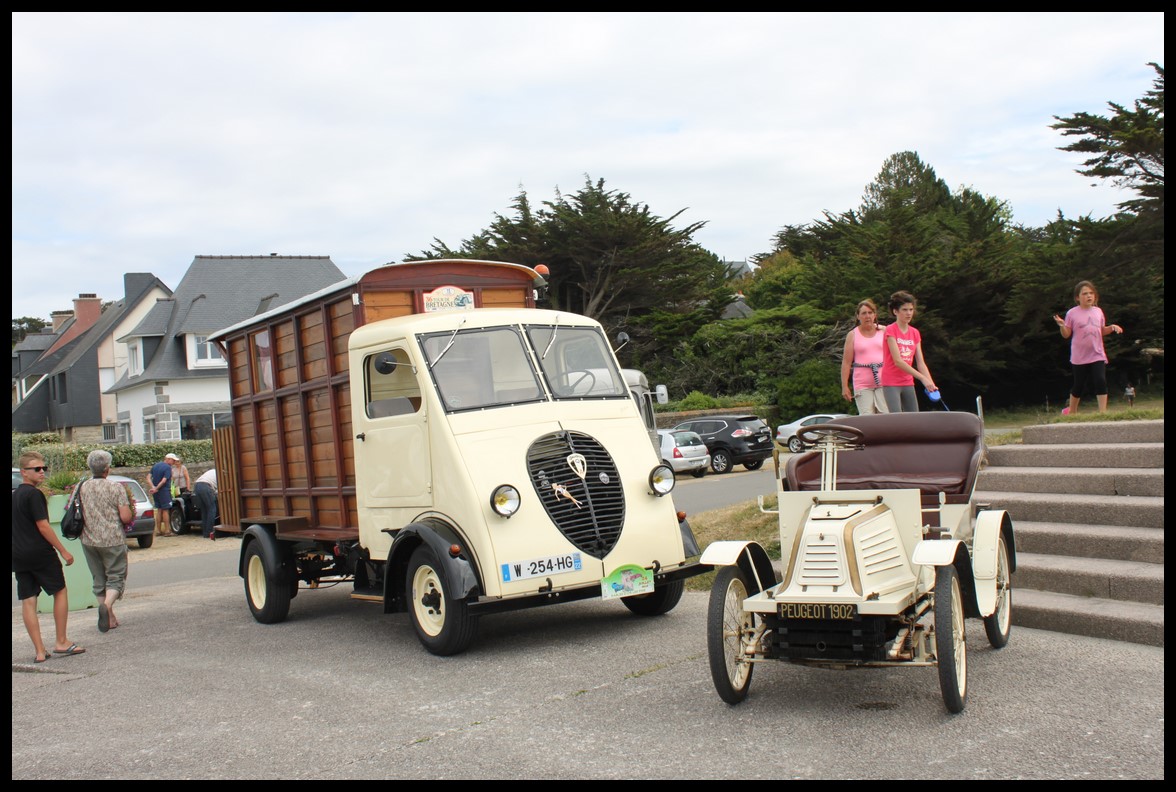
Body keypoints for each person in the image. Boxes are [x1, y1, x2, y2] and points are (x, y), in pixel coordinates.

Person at [12, 451, 85, 663]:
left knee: (28, 600)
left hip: (18, 554)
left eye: (44, 468)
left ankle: (39, 651)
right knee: (59, 591)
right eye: (37, 469)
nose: (42, 472)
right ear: (25, 472)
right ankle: (61, 641)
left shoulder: (15, 495)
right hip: (39, 552)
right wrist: (63, 550)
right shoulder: (34, 495)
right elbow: (43, 526)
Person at [79, 449, 133, 633]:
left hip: (88, 539)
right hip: (112, 539)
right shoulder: (115, 487)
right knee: (116, 577)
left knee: (99, 578)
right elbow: (125, 517)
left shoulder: (83, 486)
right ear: (107, 469)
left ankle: (109, 618)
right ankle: (108, 606)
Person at [1052, 280, 1123, 414]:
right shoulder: (1072, 313)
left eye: (1091, 293)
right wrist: (1062, 325)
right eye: (1085, 294)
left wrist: (1112, 327)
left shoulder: (1098, 311)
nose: (1089, 296)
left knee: (1100, 380)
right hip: (1079, 356)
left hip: (1097, 353)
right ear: (1077, 298)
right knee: (1078, 385)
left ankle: (1103, 412)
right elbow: (1066, 334)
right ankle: (1072, 411)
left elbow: (1101, 330)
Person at [881, 290, 938, 413]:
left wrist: (930, 383)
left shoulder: (915, 333)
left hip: (907, 381)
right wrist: (922, 378)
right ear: (895, 311)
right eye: (905, 310)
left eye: (911, 310)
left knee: (914, 418)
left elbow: (921, 362)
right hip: (891, 382)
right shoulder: (890, 330)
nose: (908, 313)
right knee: (897, 418)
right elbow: (898, 361)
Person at [840, 298, 889, 415]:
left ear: (875, 315)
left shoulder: (884, 331)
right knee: (867, 416)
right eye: (864, 313)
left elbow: (894, 355)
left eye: (870, 313)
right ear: (858, 316)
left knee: (885, 415)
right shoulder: (852, 335)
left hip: (884, 380)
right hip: (862, 383)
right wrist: (844, 386)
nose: (867, 316)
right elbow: (846, 362)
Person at [148, 453, 176, 536]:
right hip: (164, 490)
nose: (174, 462)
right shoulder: (167, 467)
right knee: (165, 510)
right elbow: (164, 480)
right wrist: (156, 488)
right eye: (173, 460)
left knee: (159, 509)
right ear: (168, 459)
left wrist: (153, 487)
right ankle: (167, 530)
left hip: (156, 492)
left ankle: (158, 530)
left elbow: (148, 477)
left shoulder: (155, 465)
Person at [193, 467, 219, 540]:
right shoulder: (219, 474)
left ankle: (205, 533)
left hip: (197, 485)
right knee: (212, 508)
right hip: (206, 486)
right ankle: (210, 531)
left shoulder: (212, 471)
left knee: (204, 510)